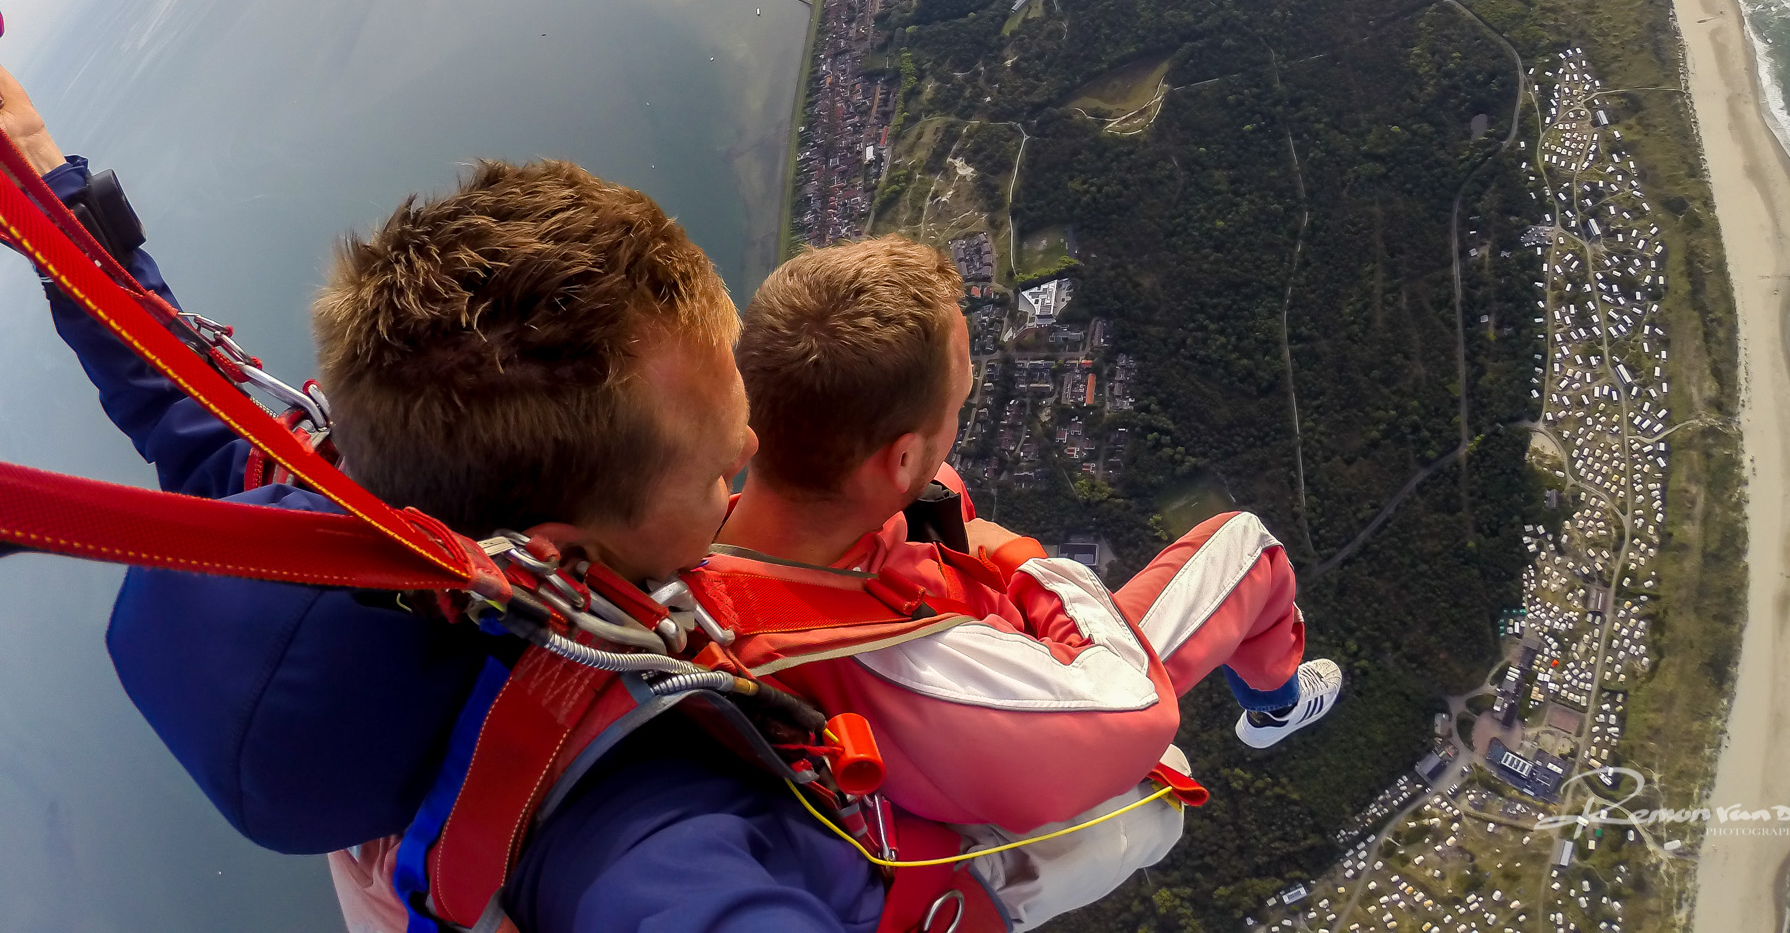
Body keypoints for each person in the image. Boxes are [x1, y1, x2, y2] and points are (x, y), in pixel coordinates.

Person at [0, 62, 886, 933]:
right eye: (716, 476)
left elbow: (170, 392)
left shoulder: (317, 529)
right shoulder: (619, 824)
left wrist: (47, 190)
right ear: (555, 554)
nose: (751, 452)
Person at [711, 234, 1342, 918]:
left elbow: (928, 498)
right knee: (1247, 549)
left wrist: (942, 510)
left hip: (896, 751)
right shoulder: (912, 668)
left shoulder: (711, 557)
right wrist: (1021, 559)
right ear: (895, 464)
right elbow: (1132, 703)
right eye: (957, 408)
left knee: (948, 493)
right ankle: (1275, 704)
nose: (959, 422)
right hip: (1008, 740)